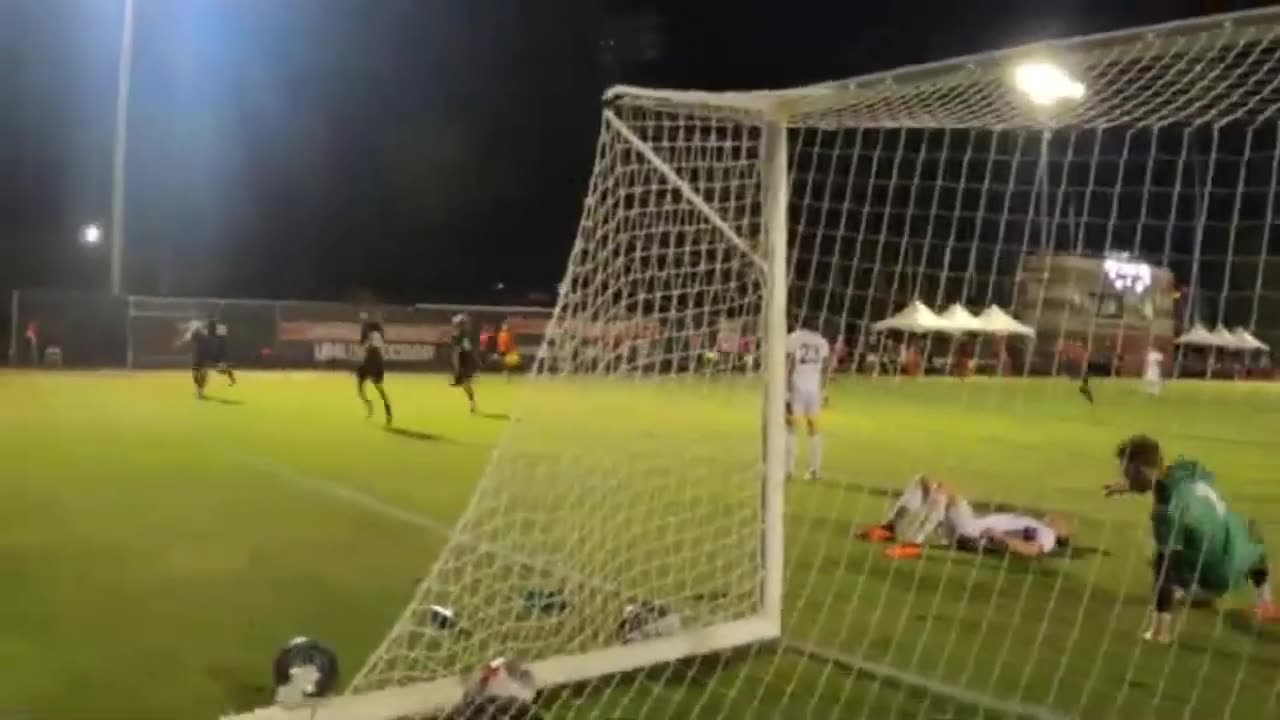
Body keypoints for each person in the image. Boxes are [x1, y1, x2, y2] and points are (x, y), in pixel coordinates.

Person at [1107, 434, 1280, 642]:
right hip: (1241, 555)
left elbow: (1164, 569)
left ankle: (1183, 603)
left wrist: (1159, 629)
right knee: (1249, 528)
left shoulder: (1166, 510)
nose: (1125, 478)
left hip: (1216, 576)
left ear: (1142, 470)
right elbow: (1173, 479)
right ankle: (1266, 604)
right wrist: (1130, 487)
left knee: (1160, 557)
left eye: (1128, 474)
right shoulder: (1190, 471)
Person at [860, 474, 1074, 559]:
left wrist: (1002, 538)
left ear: (1062, 533)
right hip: (970, 526)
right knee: (925, 481)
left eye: (1066, 524)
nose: (1061, 518)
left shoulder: (1048, 535)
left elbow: (1032, 550)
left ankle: (912, 545)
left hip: (973, 532)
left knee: (944, 491)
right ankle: (888, 529)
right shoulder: (1037, 525)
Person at [785, 321, 830, 481]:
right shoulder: (822, 342)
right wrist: (824, 390)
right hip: (814, 391)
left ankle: (788, 470)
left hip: (797, 389)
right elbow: (825, 368)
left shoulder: (793, 338)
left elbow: (788, 365)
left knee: (791, 428)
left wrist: (785, 391)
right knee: (814, 430)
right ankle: (814, 470)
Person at [357, 313, 393, 425]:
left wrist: (366, 345)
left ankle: (388, 413)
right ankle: (370, 407)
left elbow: (372, 347)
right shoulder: (370, 335)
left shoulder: (375, 335)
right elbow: (364, 347)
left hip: (374, 362)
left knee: (379, 389)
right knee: (361, 389)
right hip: (368, 362)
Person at [174, 319, 212, 398]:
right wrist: (180, 341)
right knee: (199, 375)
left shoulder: (202, 333)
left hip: (201, 357)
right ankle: (199, 391)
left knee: (202, 375)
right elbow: (188, 336)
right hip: (199, 357)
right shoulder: (197, 334)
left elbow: (188, 336)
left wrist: (180, 342)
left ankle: (200, 391)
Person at [450, 313, 479, 414]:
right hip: (462, 361)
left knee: (466, 384)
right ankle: (472, 403)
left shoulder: (463, 336)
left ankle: (473, 403)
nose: (455, 326)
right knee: (465, 385)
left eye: (457, 324)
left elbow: (466, 349)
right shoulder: (457, 336)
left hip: (465, 362)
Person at [208, 319, 237, 387]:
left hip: (221, 353)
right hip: (219, 353)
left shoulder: (217, 332)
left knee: (221, 369)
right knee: (220, 369)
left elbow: (218, 335)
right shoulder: (216, 332)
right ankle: (232, 378)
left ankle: (232, 378)